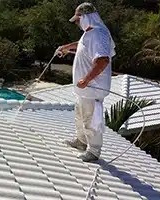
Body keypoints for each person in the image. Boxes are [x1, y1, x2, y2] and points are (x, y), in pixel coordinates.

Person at [58, 2, 116, 162]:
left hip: (93, 88)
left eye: (78, 20)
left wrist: (86, 79)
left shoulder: (99, 34)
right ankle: (81, 142)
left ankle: (94, 151)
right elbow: (82, 46)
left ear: (87, 18)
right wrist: (66, 47)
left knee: (91, 119)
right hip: (85, 89)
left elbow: (102, 60)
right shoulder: (89, 33)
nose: (76, 23)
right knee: (81, 115)